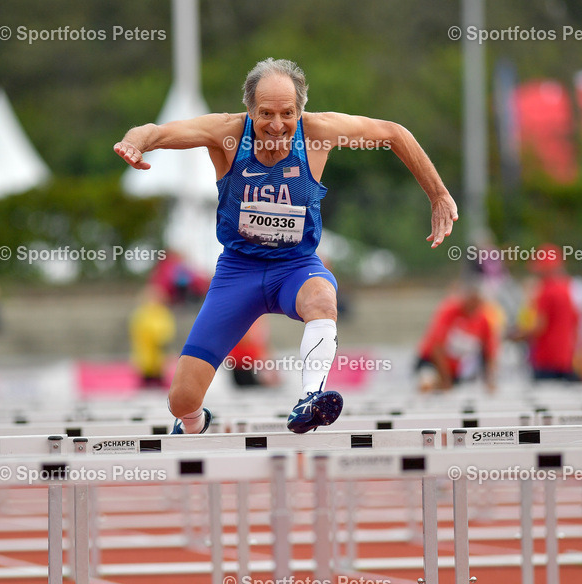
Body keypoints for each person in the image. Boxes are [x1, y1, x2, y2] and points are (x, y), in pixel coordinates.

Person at [114, 58, 457, 434]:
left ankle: (311, 398)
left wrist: (438, 195)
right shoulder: (226, 134)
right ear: (249, 110)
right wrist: (135, 143)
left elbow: (393, 133)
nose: (277, 125)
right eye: (266, 114)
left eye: (287, 113)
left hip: (295, 267)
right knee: (181, 400)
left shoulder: (318, 132)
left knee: (324, 300)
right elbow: (157, 132)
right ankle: (195, 422)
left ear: (300, 110)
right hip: (237, 272)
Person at [415, 277, 499, 393]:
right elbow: (436, 347)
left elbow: (490, 352)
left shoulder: (483, 319)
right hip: (431, 363)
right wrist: (445, 379)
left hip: (457, 369)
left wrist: (489, 381)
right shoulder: (449, 311)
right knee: (427, 383)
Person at [515, 245, 579, 381]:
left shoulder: (547, 291)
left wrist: (517, 335)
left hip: (546, 359)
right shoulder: (568, 289)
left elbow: (539, 327)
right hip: (565, 357)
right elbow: (575, 320)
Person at [129, 286, 176, 388]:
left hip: (159, 359)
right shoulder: (142, 314)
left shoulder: (162, 313)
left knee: (158, 383)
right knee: (146, 383)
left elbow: (166, 332)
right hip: (145, 358)